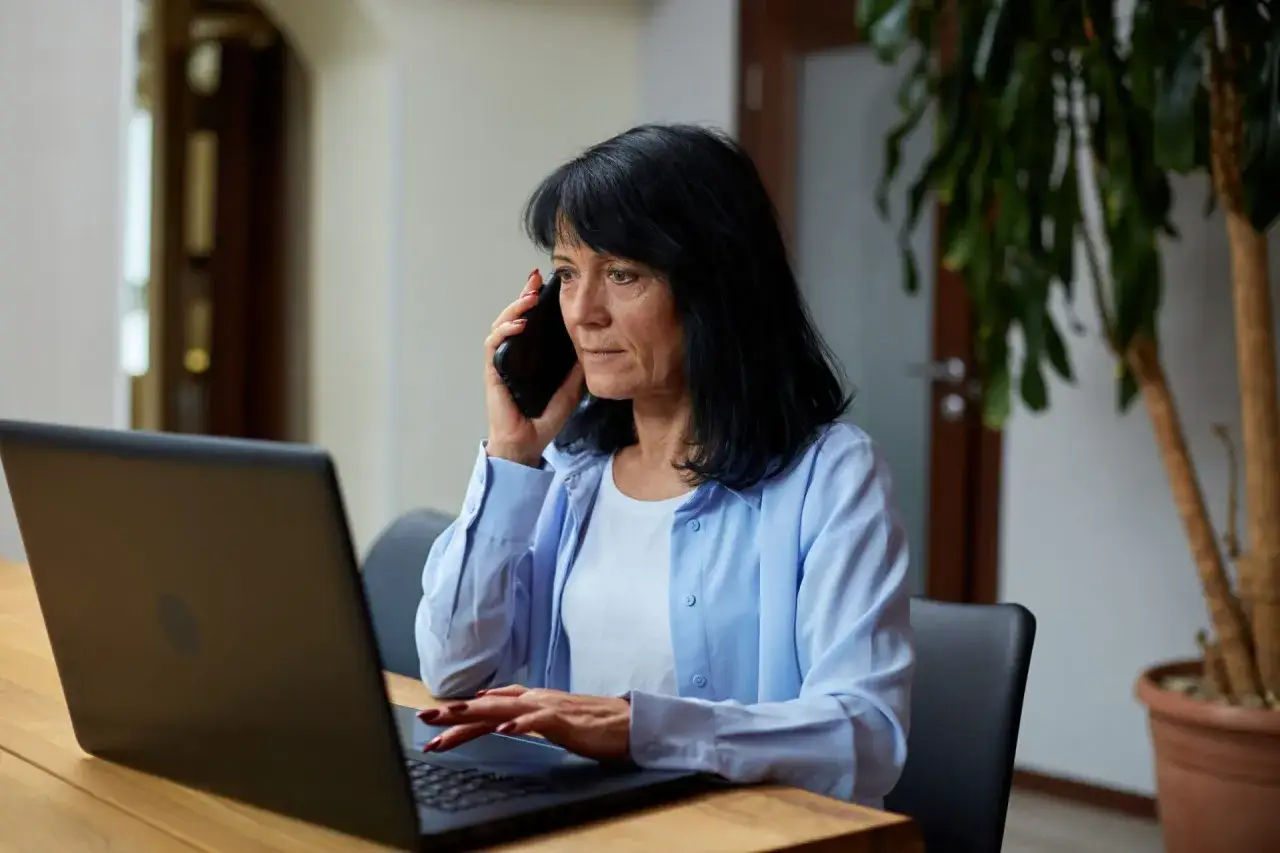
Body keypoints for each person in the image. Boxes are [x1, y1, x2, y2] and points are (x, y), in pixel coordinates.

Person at [414, 124, 913, 806]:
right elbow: (451, 668)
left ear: (714, 287)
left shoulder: (830, 475)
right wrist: (511, 457)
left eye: (623, 274)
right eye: (567, 274)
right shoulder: (567, 469)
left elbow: (866, 733)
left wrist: (645, 729)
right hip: (583, 824)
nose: (583, 312)